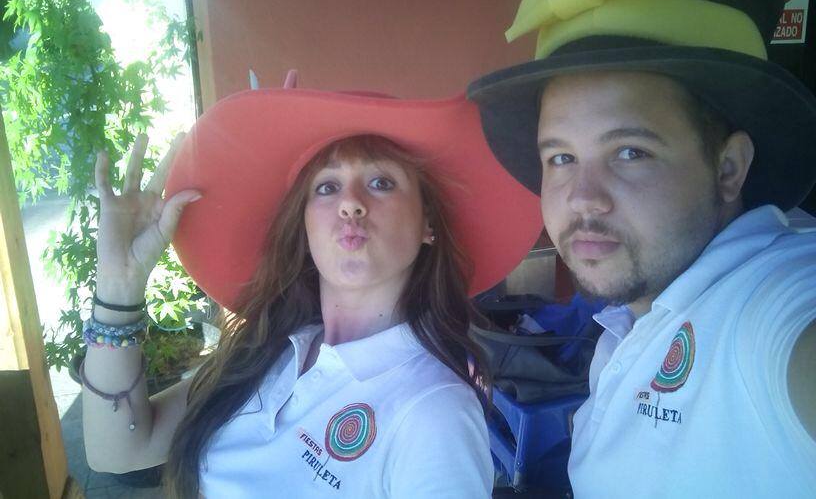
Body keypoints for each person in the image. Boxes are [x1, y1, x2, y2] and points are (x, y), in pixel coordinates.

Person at [466, 0, 816, 498]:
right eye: (561, 157)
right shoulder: (628, 318)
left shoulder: (770, 308)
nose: (583, 199)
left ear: (728, 168)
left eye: (630, 151)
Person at [81, 79, 543, 498]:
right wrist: (119, 285)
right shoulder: (266, 351)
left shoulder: (435, 413)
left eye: (381, 182)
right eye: (326, 187)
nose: (350, 204)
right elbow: (117, 452)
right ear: (303, 225)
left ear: (428, 224)